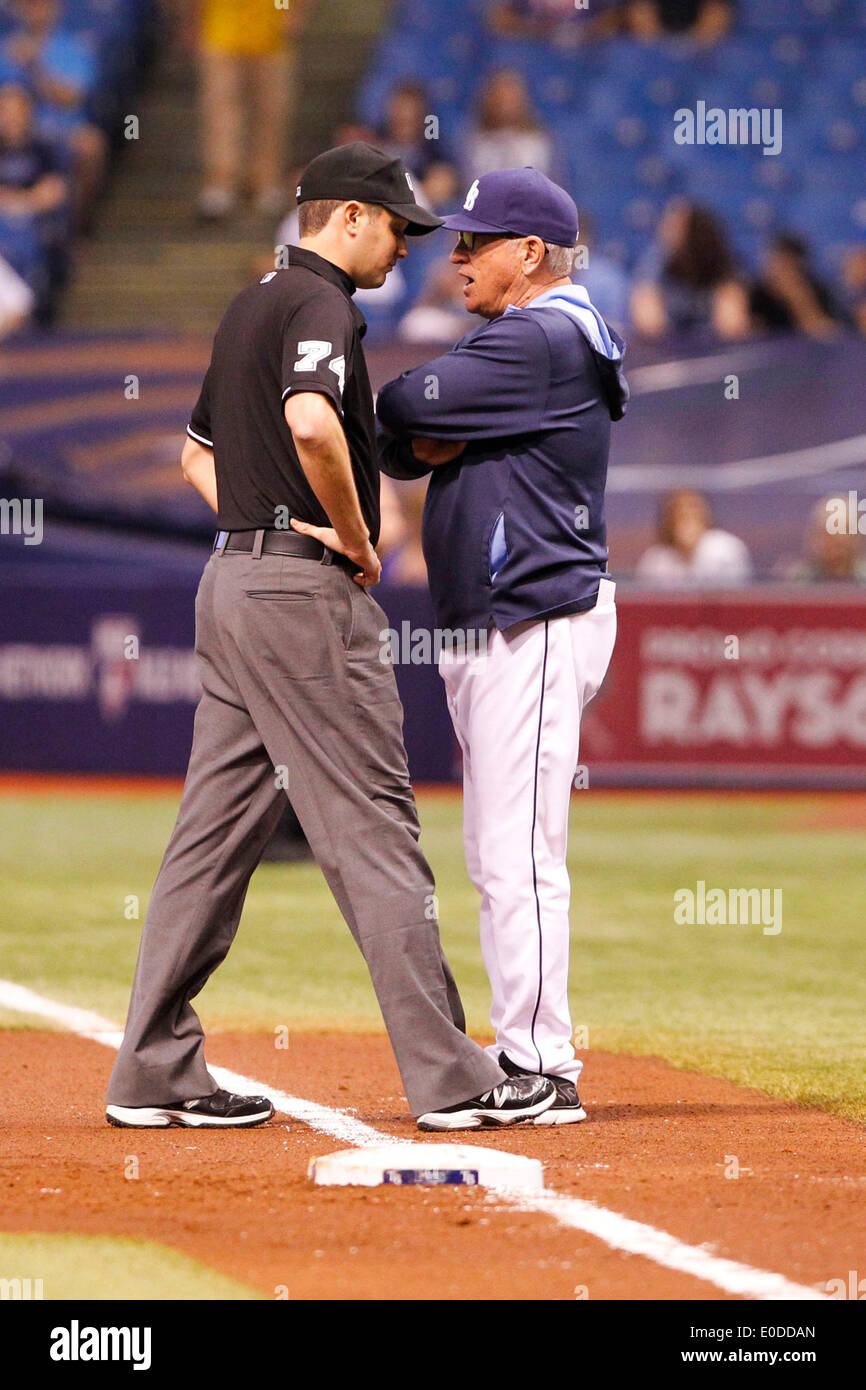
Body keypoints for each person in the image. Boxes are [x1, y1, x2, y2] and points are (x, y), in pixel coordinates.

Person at [105, 142, 554, 1134]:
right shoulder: (316, 305)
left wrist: (254, 525)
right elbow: (311, 421)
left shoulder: (249, 306)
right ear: (347, 216)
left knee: (210, 839)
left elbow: (193, 456)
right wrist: (351, 536)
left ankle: (150, 1068)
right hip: (300, 597)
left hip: (228, 583)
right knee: (374, 825)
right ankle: (453, 1077)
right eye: (397, 226)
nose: (406, 249)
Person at [376, 167, 628, 1124]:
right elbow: (410, 440)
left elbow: (401, 407)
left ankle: (542, 1065)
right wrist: (430, 430)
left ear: (532, 255)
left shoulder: (544, 333)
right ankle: (527, 1049)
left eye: (477, 242)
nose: (458, 255)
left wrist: (431, 427)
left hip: (533, 614)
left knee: (517, 849)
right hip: (507, 616)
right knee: (497, 847)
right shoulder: (532, 338)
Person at [195, 0, 313, 220]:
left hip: (274, 25)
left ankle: (267, 181)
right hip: (220, 26)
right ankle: (221, 181)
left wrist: (298, 11)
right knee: (221, 109)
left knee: (272, 109)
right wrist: (192, 19)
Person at [2, 0, 105, 223]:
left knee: (90, 144)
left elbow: (72, 97)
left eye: (41, 4)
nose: (35, 10)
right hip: (12, 130)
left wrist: (36, 65)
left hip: (62, 128)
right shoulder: (7, 47)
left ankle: (77, 229)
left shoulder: (74, 46)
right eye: (29, 5)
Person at [630, 198, 750, 340]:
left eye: (674, 227)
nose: (664, 232)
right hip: (670, 351)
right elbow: (648, 324)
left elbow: (731, 327)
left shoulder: (725, 265)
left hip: (714, 351)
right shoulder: (656, 263)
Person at [0, 80, 67, 314]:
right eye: (4, 111)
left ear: (28, 112)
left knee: (29, 239)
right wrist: (28, 198)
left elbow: (54, 192)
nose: (11, 117)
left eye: (16, 110)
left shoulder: (43, 148)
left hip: (33, 224)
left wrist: (16, 201)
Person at [635, 489, 752, 585]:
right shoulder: (656, 558)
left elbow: (738, 598)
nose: (687, 517)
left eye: (693, 509)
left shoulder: (727, 548)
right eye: (679, 513)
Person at [463, 70, 555, 184]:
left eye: (511, 99)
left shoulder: (538, 143)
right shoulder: (474, 145)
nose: (505, 106)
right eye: (500, 98)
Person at [750, 233, 842, 339]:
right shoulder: (758, 297)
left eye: (789, 266)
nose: (784, 272)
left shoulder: (818, 292)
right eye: (779, 264)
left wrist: (800, 302)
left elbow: (829, 335)